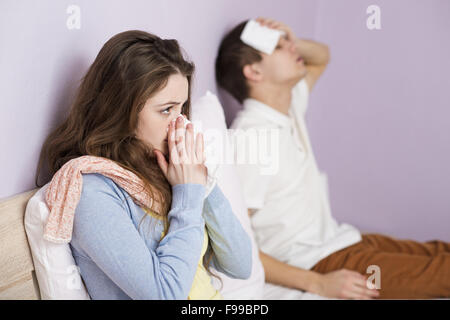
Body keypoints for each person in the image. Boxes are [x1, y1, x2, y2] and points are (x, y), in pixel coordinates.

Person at [215, 17, 450, 299]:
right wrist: (317, 283)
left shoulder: (285, 109)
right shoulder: (253, 137)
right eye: (279, 48)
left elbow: (321, 57)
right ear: (253, 71)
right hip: (316, 261)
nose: (292, 49)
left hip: (343, 240)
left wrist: (287, 39)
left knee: (442, 253)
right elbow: (233, 242)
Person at [35, 30, 252, 300]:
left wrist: (203, 186)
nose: (181, 124)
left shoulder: (170, 171)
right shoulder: (93, 192)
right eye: (166, 110)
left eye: (182, 109)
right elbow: (164, 295)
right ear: (122, 109)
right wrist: (188, 194)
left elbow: (241, 265)